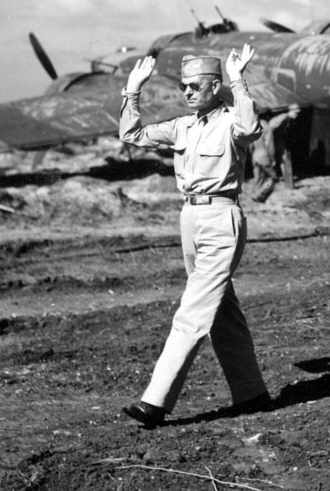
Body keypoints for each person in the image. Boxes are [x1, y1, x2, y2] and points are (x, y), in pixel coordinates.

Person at [118, 47, 271, 427]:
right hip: (190, 218)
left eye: (195, 87)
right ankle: (251, 392)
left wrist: (239, 80)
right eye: (184, 87)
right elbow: (131, 133)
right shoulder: (182, 126)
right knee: (220, 310)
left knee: (192, 311)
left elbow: (251, 129)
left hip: (222, 217)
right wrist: (132, 91)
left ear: (215, 86)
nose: (187, 93)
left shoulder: (232, 121)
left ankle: (154, 402)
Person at [250, 105, 301, 203]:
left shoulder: (254, 126)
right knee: (273, 179)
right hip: (265, 157)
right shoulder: (267, 127)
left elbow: (250, 145)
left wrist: (253, 155)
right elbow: (270, 145)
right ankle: (260, 195)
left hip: (255, 156)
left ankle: (256, 195)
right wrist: (272, 159)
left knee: (258, 178)